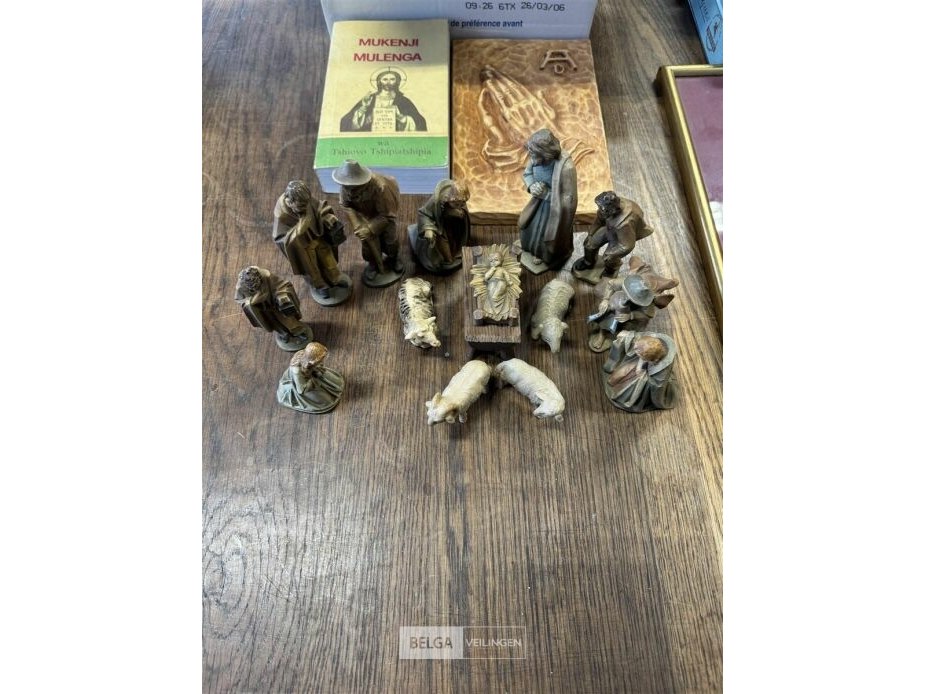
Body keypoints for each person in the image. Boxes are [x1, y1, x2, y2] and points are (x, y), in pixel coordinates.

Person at [272, 180, 351, 305]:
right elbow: (280, 238)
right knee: (311, 268)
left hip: (318, 237)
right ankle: (320, 286)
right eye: (300, 207)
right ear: (289, 201)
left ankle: (335, 278)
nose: (305, 209)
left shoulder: (304, 200)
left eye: (306, 205)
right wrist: (300, 229)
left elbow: (319, 207)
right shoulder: (281, 215)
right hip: (303, 247)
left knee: (328, 260)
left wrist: (325, 217)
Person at [333, 160, 404, 287]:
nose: (349, 192)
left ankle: (393, 258)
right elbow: (346, 206)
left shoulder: (381, 187)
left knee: (390, 240)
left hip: (385, 216)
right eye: (347, 187)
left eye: (353, 188)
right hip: (364, 217)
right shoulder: (346, 186)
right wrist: (357, 225)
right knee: (367, 245)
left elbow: (387, 215)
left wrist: (370, 229)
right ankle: (373, 264)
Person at [586, 258, 677, 352]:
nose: (628, 298)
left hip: (629, 312)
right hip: (615, 301)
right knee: (604, 316)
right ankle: (602, 334)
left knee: (622, 326)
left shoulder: (647, 302)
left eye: (633, 298)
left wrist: (631, 316)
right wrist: (605, 299)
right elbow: (611, 284)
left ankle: (616, 336)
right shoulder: (625, 282)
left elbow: (648, 314)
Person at [517, 129, 576, 272]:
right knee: (528, 226)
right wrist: (532, 186)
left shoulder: (566, 167)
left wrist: (547, 195)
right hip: (537, 203)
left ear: (545, 153)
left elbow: (569, 199)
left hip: (553, 211)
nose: (530, 156)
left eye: (534, 153)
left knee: (545, 234)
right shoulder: (535, 159)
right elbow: (527, 174)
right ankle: (529, 248)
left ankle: (544, 255)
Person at [571, 191, 654, 279]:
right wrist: (591, 234)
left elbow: (627, 245)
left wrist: (612, 254)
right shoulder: (605, 210)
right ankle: (588, 262)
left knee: (608, 258)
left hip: (620, 238)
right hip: (609, 228)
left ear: (613, 211)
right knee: (589, 244)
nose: (600, 210)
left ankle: (610, 271)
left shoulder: (624, 224)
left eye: (603, 210)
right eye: (600, 208)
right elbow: (599, 221)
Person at [234, 266, 311, 351]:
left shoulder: (267, 276)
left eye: (258, 284)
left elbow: (282, 285)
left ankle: (298, 331)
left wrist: (280, 296)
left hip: (275, 304)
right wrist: (253, 301)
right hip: (262, 309)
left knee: (288, 319)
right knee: (274, 323)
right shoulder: (241, 287)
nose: (257, 288)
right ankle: (283, 334)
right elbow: (240, 300)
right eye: (253, 287)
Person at [601, 331, 678, 412]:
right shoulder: (646, 347)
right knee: (624, 371)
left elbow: (657, 387)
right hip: (640, 365)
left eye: (639, 352)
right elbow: (637, 339)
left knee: (636, 382)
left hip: (647, 375)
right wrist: (626, 336)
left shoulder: (659, 367)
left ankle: (623, 392)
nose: (635, 350)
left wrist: (641, 373)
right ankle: (613, 382)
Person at [408, 178, 470, 274]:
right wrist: (428, 229)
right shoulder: (436, 202)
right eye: (456, 204)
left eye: (462, 204)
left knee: (454, 245)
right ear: (450, 198)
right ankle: (447, 260)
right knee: (443, 248)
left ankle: (454, 255)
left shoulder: (459, 201)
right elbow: (423, 214)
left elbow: (463, 213)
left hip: (454, 227)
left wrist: (459, 214)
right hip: (438, 227)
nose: (460, 206)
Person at [339, 69, 427, 132]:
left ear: (397, 82)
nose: (388, 82)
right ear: (379, 82)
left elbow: (420, 123)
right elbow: (346, 121)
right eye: (385, 79)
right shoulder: (370, 99)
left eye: (392, 79)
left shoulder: (403, 101)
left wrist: (401, 117)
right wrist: (364, 107)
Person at [276, 342, 345, 414]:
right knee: (327, 401)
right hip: (302, 387)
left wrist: (316, 370)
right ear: (313, 361)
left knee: (337, 382)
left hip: (311, 374)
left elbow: (312, 368)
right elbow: (301, 390)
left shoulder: (305, 356)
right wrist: (313, 380)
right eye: (320, 360)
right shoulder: (297, 371)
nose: (322, 361)